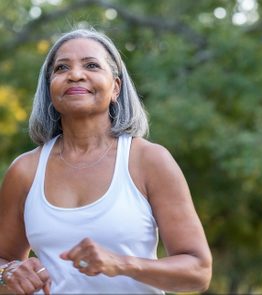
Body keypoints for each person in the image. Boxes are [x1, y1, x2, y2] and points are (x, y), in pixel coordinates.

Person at [0, 28, 212, 294]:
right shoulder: (25, 170)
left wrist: (122, 264)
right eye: (61, 68)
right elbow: (3, 260)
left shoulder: (148, 161)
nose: (75, 74)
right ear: (50, 89)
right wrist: (7, 274)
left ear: (116, 87)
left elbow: (199, 272)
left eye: (91, 65)